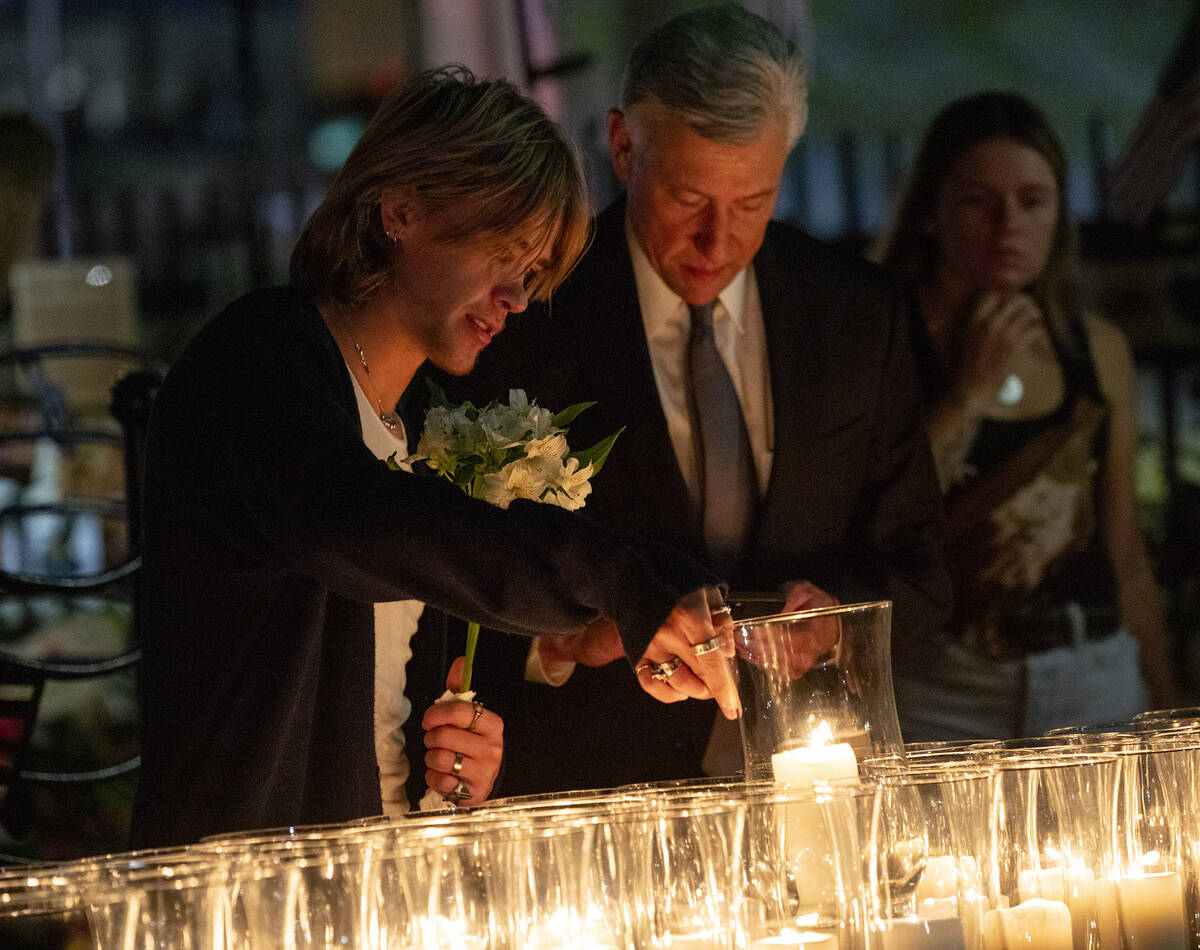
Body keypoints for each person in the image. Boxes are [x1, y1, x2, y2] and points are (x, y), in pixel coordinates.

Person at [129, 66, 740, 849]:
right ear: (403, 210)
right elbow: (356, 527)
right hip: (238, 887)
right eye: (505, 253)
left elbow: (383, 684)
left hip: (383, 883)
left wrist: (454, 753)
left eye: (532, 273)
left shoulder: (416, 422)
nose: (517, 298)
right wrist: (619, 579)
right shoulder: (259, 362)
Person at [417, 6, 950, 796]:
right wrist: (567, 642)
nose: (718, 242)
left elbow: (926, 571)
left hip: (820, 776)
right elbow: (445, 585)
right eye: (689, 198)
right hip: (599, 785)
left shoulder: (854, 315)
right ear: (624, 147)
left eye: (750, 204)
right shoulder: (526, 321)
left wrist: (838, 622)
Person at [878, 92, 1176, 740]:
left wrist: (1170, 706)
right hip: (942, 685)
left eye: (1033, 202)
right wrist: (968, 395)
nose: (1008, 225)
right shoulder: (882, 344)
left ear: (1058, 214)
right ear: (931, 212)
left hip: (1090, 674)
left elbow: (1123, 550)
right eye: (980, 203)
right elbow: (869, 519)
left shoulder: (1093, 348)